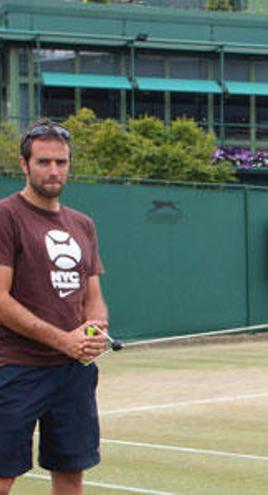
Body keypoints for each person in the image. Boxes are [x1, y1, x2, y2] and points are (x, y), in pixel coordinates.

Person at [0, 120, 110, 494]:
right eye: (44, 162)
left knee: (70, 473)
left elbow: (92, 295)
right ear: (24, 164)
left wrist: (94, 331)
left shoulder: (83, 224)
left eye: (61, 162)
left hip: (72, 374)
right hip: (15, 368)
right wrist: (63, 339)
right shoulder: (6, 216)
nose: (53, 171)